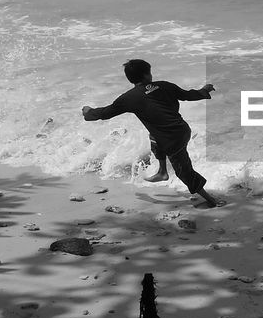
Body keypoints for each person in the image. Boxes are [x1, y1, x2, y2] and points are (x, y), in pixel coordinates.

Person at [82, 58, 221, 207]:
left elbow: (105, 112)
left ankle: (211, 200)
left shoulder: (129, 98)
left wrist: (88, 112)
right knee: (154, 135)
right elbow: (187, 95)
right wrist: (204, 91)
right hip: (182, 130)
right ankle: (162, 172)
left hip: (171, 139)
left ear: (130, 79)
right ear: (148, 75)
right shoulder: (164, 86)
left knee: (184, 171)